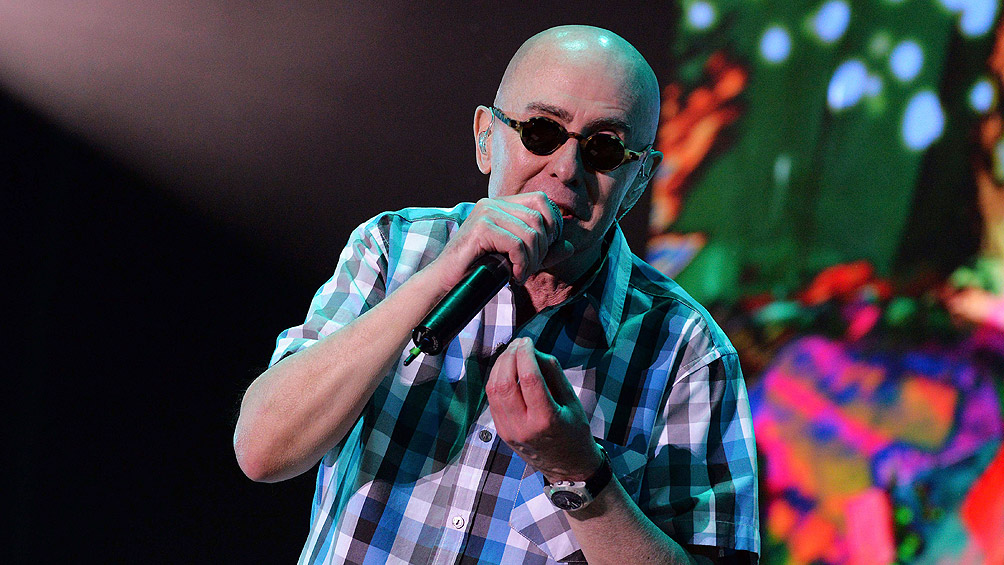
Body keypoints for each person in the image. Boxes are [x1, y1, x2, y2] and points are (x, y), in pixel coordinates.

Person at [234, 25, 759, 564]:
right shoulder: (394, 247)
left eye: (604, 148)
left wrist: (579, 473)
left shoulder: (686, 350)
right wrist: (439, 277)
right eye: (541, 131)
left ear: (639, 179)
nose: (566, 169)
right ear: (486, 138)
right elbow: (263, 452)